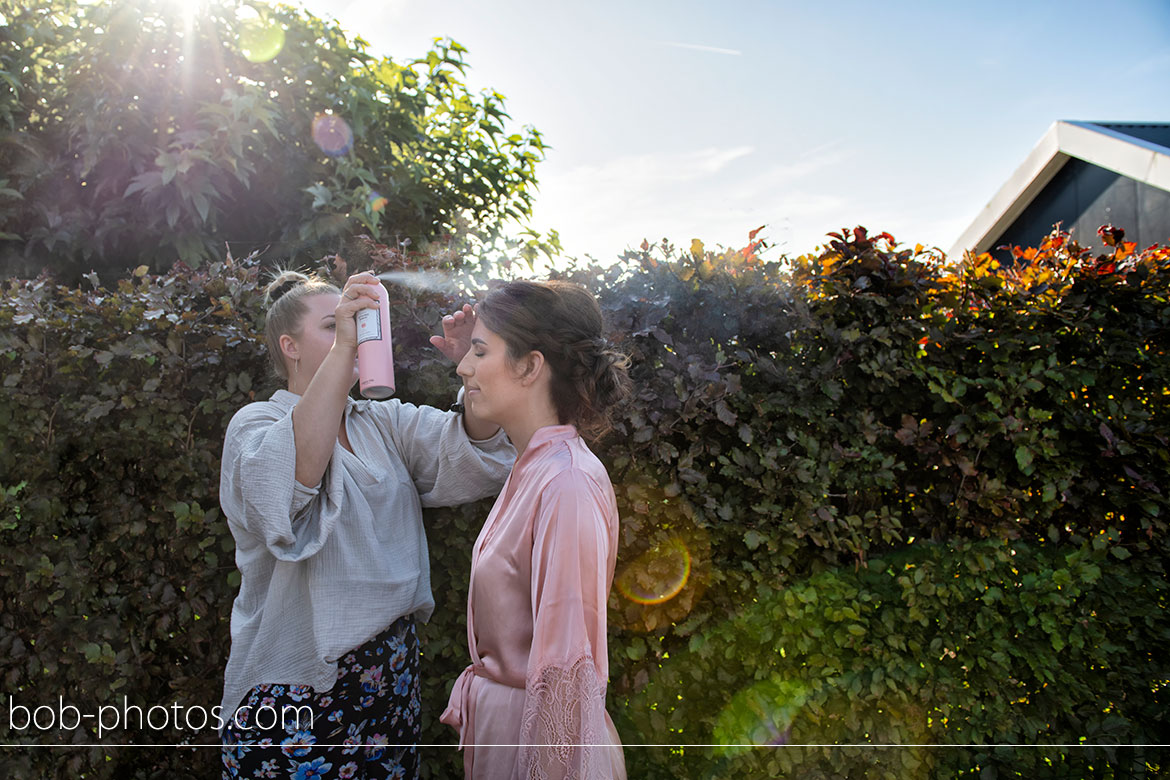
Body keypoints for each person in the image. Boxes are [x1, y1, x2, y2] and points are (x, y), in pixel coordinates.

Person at [218, 269, 515, 780]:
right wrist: (344, 350)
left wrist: (475, 365)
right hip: (294, 695)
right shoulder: (255, 426)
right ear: (289, 346)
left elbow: (471, 449)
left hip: (390, 684)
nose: (350, 336)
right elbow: (290, 483)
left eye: (355, 323)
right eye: (333, 326)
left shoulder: (381, 422)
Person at [440, 280, 631, 779]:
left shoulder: (565, 482)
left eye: (479, 352)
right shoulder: (535, 466)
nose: (462, 367)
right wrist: (484, 356)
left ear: (530, 365)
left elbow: (565, 674)